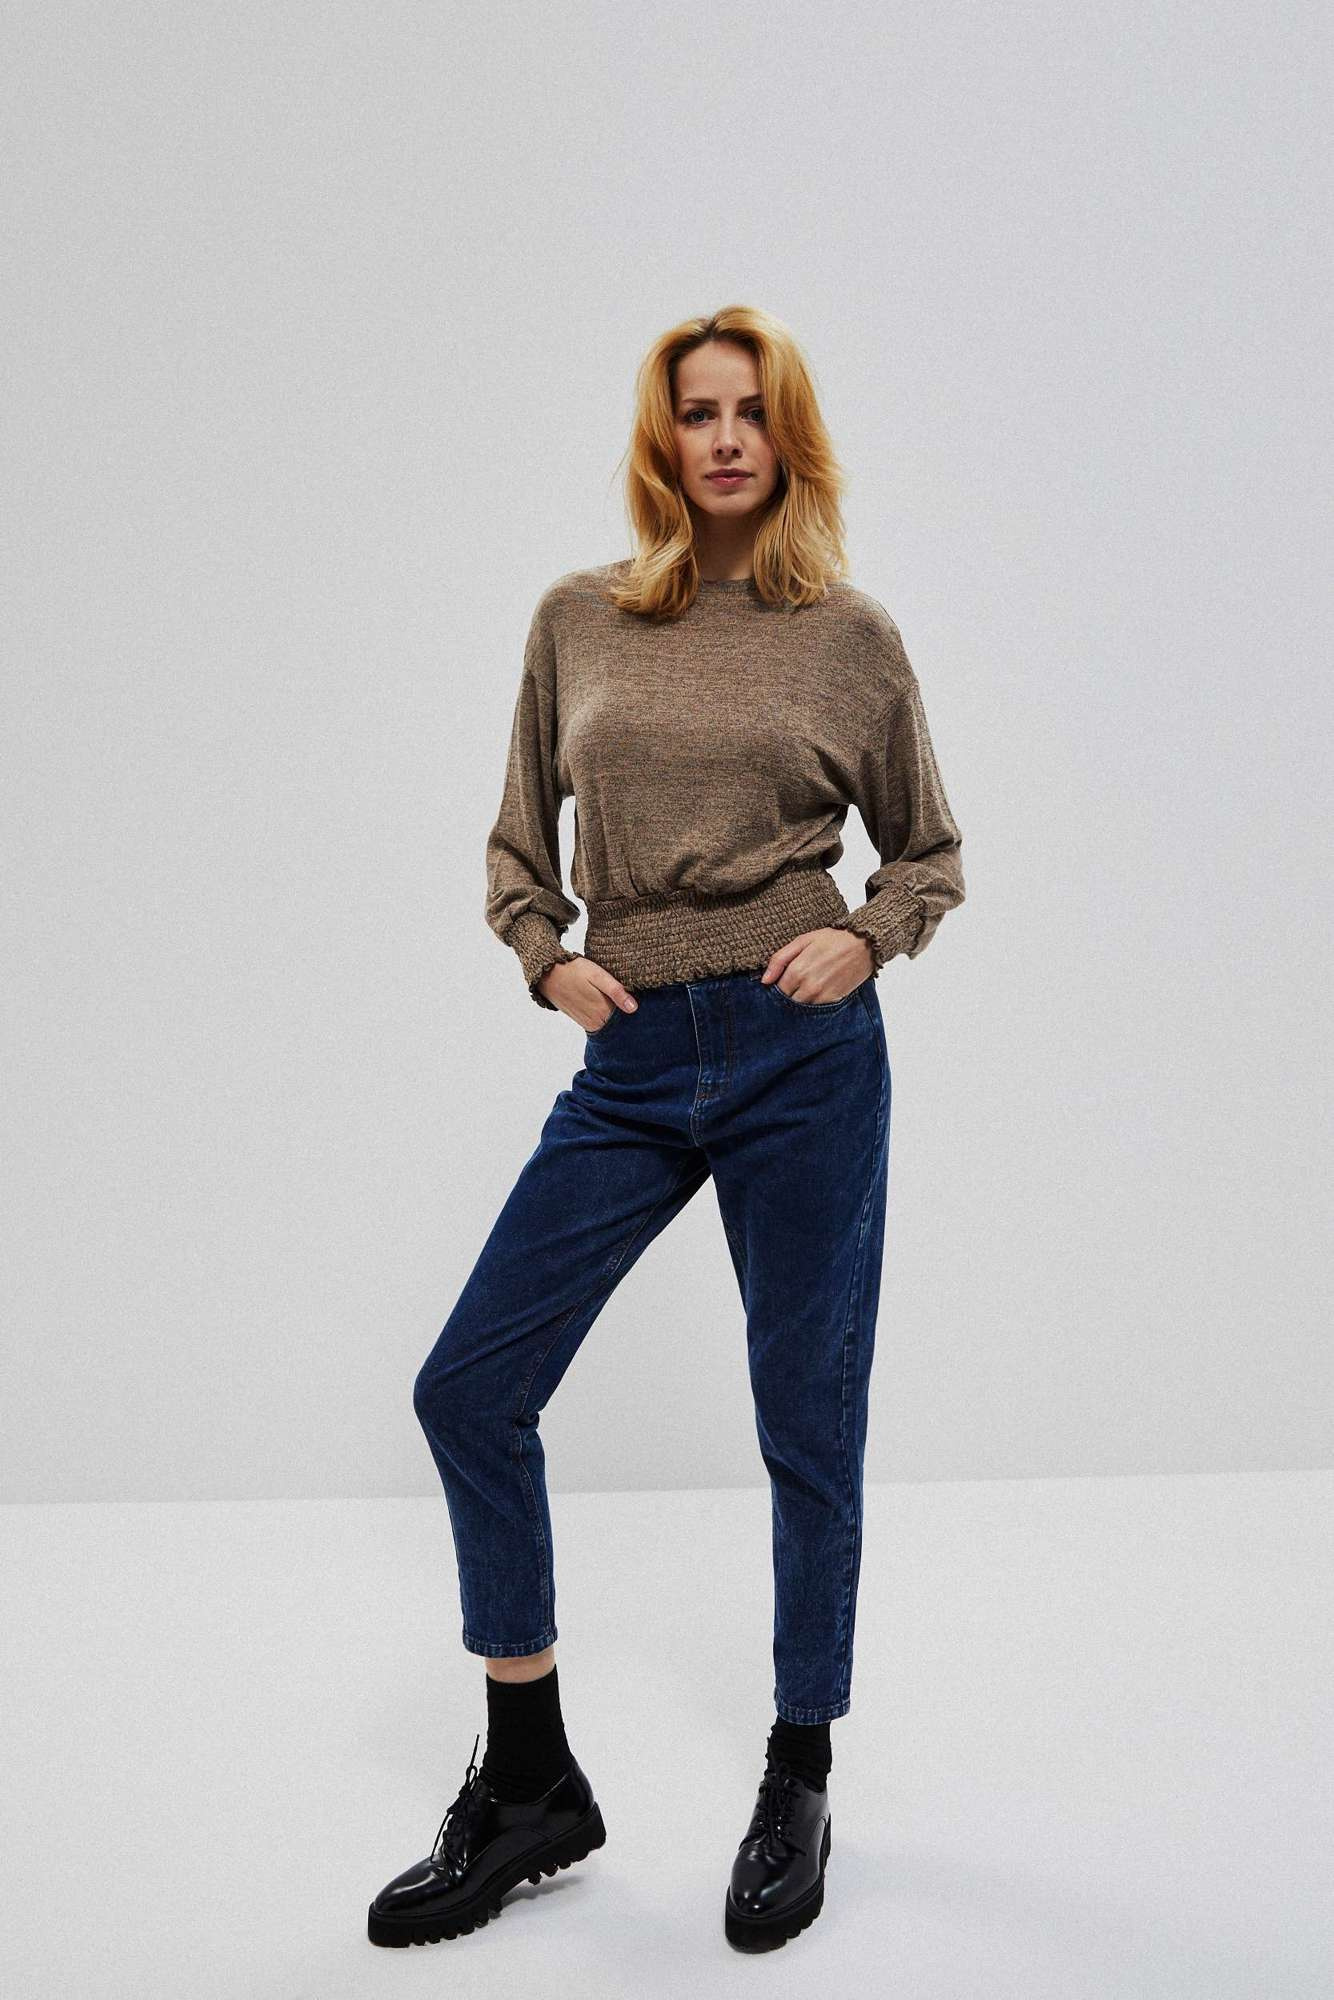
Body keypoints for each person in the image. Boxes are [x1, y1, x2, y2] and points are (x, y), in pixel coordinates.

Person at [367, 305, 965, 1954]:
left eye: (748, 413)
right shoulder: (578, 620)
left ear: (787, 437)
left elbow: (927, 850)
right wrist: (544, 957)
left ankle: (799, 1771)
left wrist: (866, 938)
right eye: (695, 413)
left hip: (801, 1055)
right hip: (630, 1059)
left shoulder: (848, 637)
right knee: (468, 1387)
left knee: (804, 1421)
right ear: (661, 438)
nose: (722, 439)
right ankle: (527, 1780)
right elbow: (516, 842)